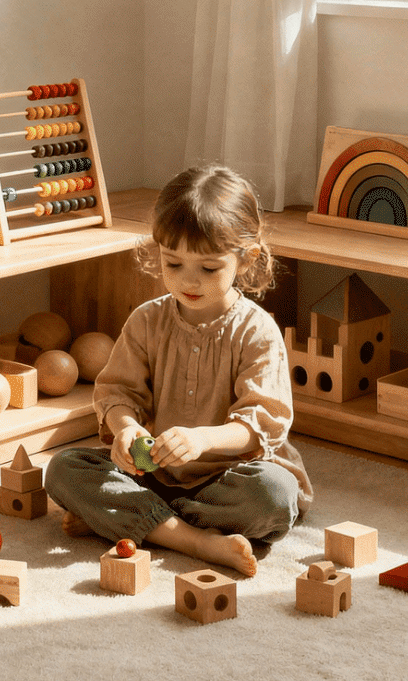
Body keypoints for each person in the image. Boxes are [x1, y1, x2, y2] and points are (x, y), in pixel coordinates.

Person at [45, 164, 311, 577]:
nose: (189, 281)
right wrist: (125, 429)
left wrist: (201, 439)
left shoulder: (257, 331)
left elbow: (261, 424)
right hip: (154, 474)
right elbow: (117, 395)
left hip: (227, 479)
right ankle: (196, 540)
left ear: (246, 259)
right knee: (62, 470)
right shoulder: (146, 321)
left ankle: (130, 521)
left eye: (208, 268)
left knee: (274, 495)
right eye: (173, 264)